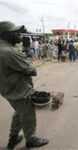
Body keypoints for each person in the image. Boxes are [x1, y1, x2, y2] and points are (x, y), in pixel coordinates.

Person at [0, 21, 49, 149]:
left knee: (19, 112)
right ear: (5, 34)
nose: (19, 35)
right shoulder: (9, 51)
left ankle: (13, 137)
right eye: (15, 32)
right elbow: (32, 70)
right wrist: (26, 61)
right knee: (27, 113)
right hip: (19, 90)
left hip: (7, 89)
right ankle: (31, 139)